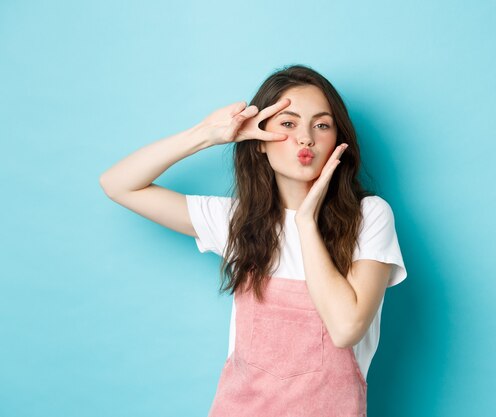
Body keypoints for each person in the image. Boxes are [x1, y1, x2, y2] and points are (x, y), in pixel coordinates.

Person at [99, 64, 407, 417]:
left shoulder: (369, 216)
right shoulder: (238, 221)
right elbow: (118, 184)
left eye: (321, 125)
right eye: (288, 124)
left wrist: (306, 221)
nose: (305, 137)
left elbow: (345, 328)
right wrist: (207, 134)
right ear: (260, 142)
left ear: (338, 140)